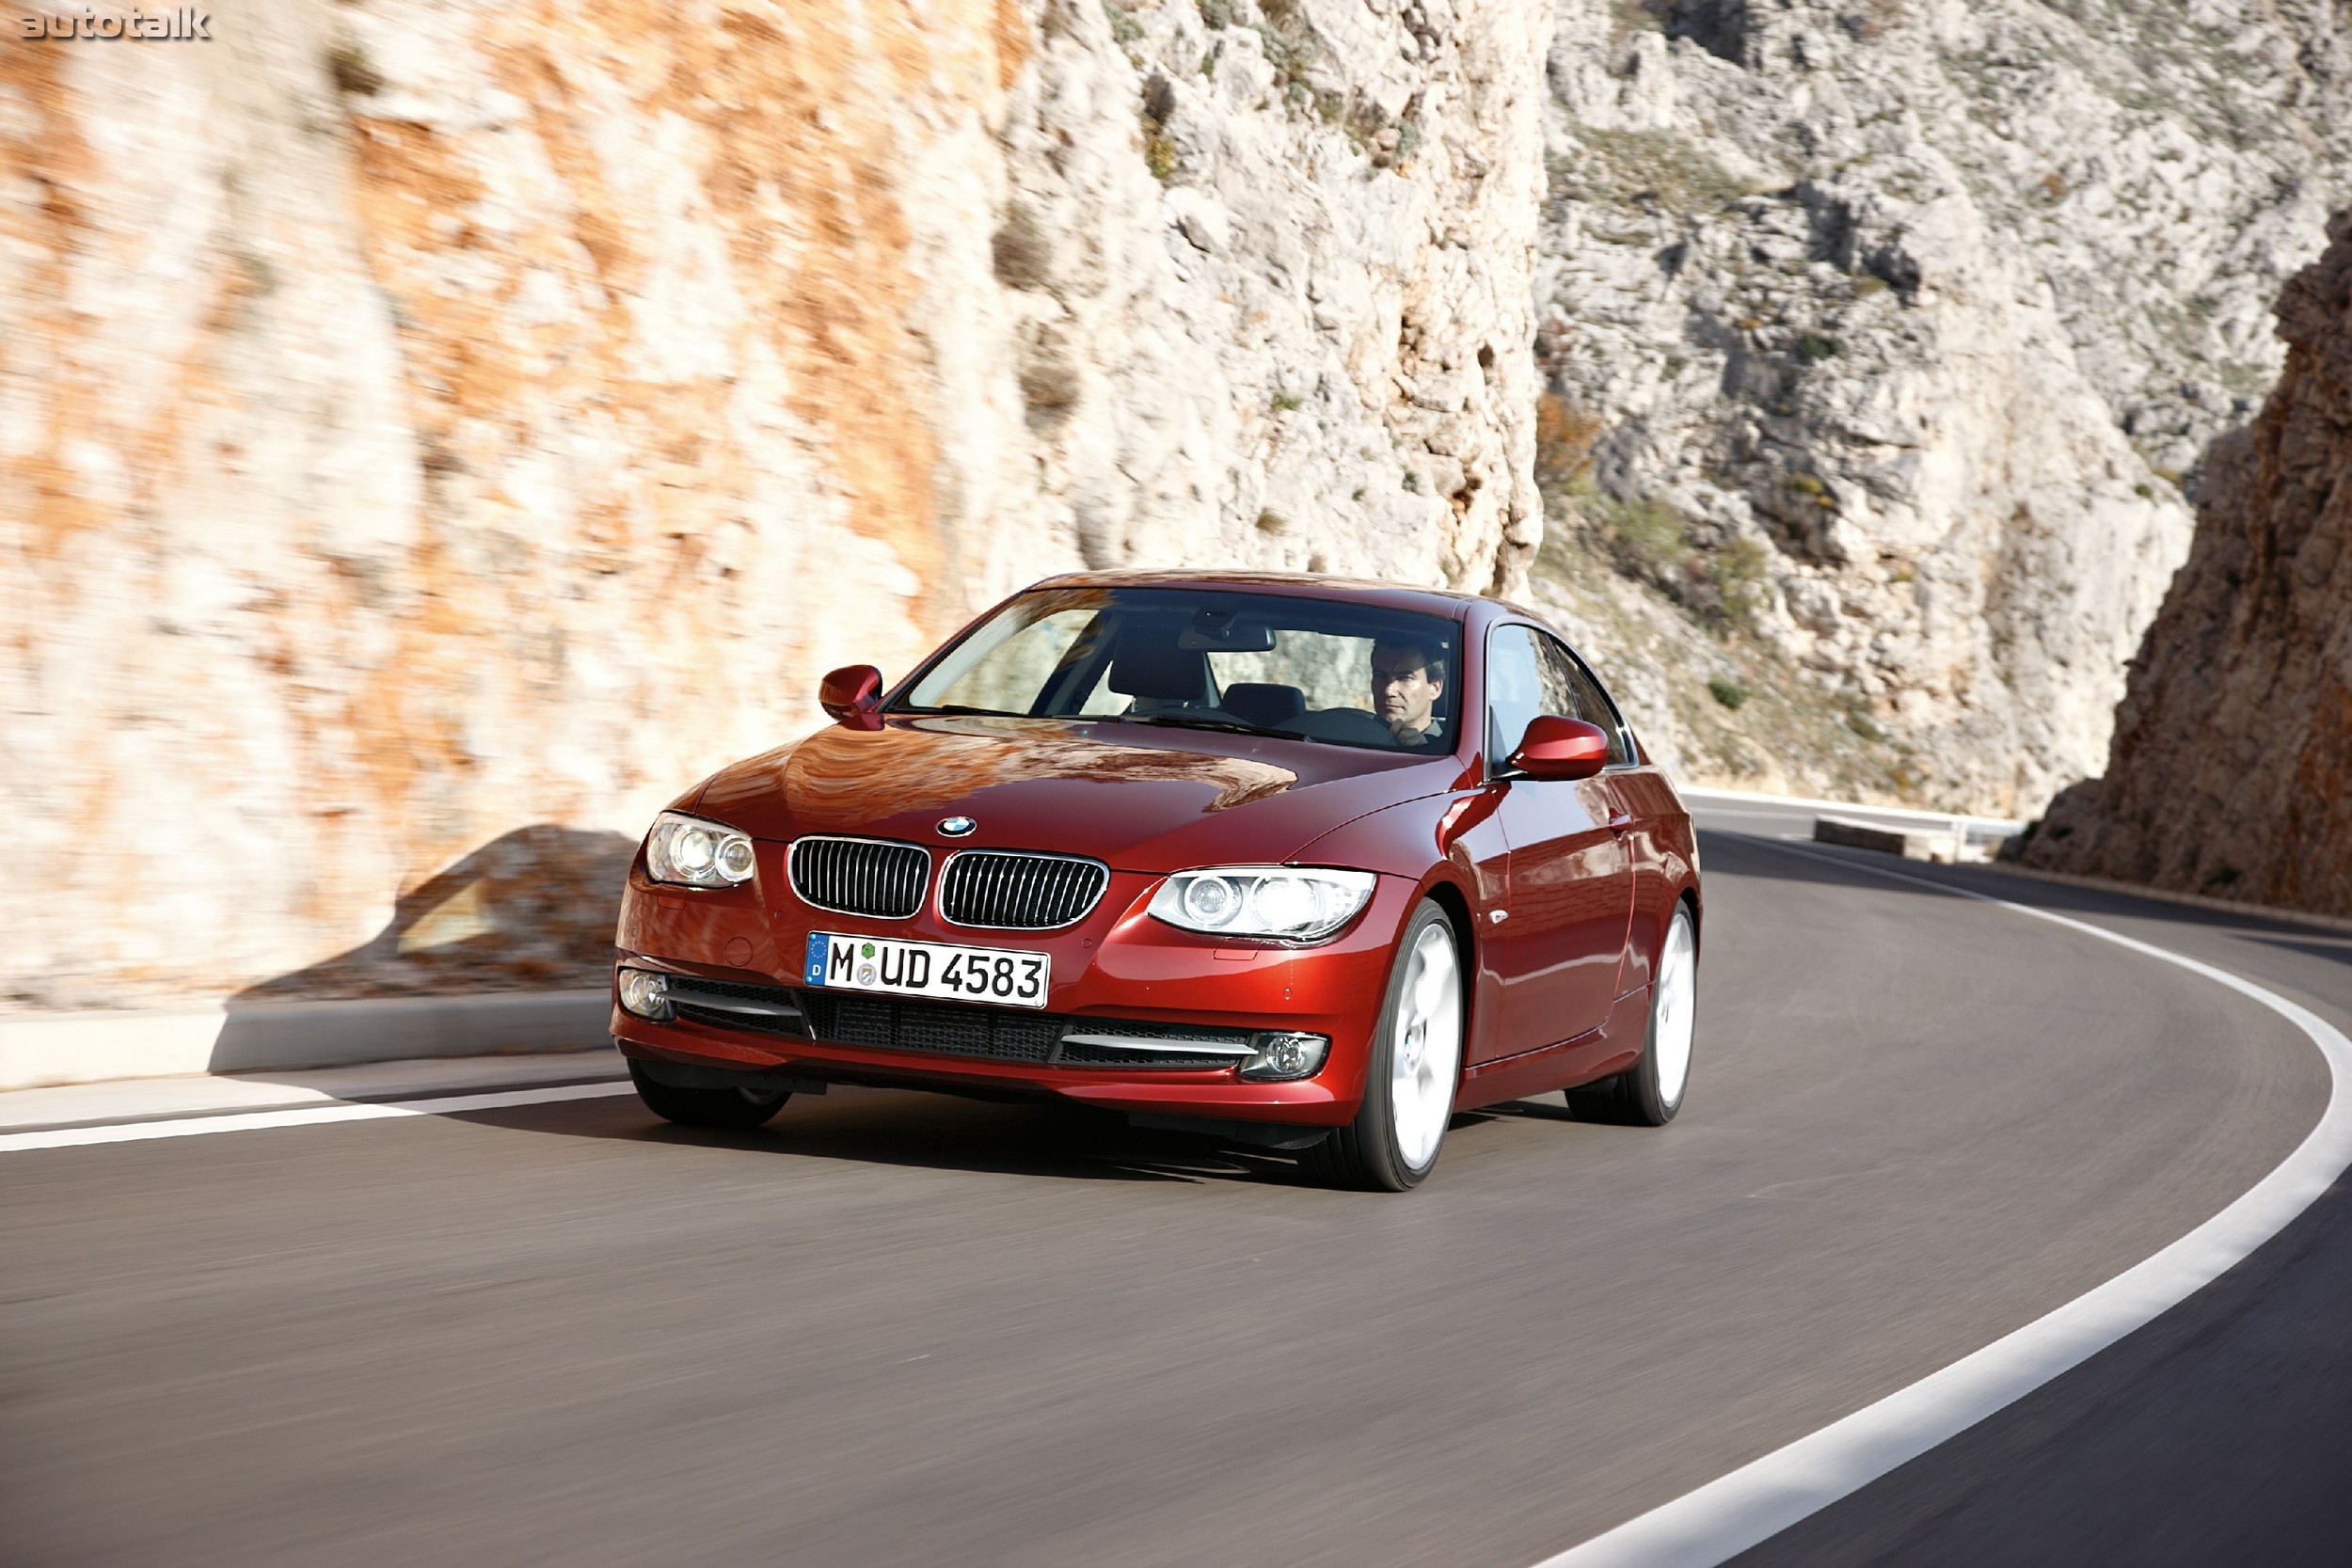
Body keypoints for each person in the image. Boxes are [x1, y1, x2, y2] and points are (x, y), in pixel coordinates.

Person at [1371, 637, 1450, 750]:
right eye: (1380, 675)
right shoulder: (1351, 734)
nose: (1388, 691)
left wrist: (1425, 751)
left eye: (1404, 678)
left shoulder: (1450, 751)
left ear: (1435, 688)